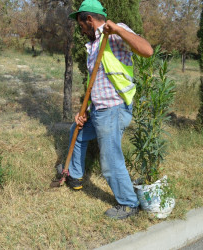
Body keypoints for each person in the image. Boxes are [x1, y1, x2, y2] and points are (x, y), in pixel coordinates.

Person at [65, 0, 153, 219]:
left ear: (89, 19)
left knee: (110, 159)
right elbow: (96, 81)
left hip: (113, 109)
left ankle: (129, 204)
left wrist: (118, 29)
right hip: (98, 109)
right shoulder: (94, 45)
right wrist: (84, 110)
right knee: (76, 133)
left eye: (81, 24)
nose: (80, 29)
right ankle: (75, 176)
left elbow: (147, 50)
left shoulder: (114, 34)